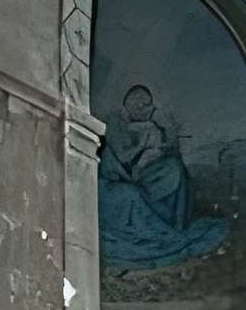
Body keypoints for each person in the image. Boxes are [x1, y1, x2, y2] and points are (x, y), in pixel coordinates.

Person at [96, 84, 229, 270]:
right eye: (139, 103)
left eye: (147, 104)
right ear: (128, 105)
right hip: (111, 183)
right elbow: (124, 157)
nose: (143, 108)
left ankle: (176, 222)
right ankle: (157, 234)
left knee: (174, 168)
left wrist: (157, 149)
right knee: (130, 195)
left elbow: (155, 155)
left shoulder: (150, 126)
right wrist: (143, 145)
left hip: (137, 176)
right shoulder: (116, 122)